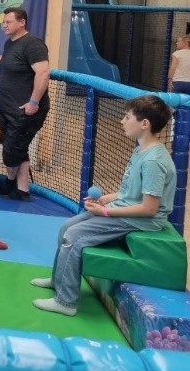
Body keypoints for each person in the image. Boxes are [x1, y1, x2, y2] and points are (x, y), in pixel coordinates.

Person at [31, 95, 176, 317]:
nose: (122, 121)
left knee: (74, 236)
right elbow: (132, 192)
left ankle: (66, 302)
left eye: (127, 117)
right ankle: (58, 279)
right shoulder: (141, 149)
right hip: (126, 210)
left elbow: (149, 209)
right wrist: (106, 199)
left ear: (144, 124)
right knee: (66, 227)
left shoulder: (153, 161)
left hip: (141, 220)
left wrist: (106, 212)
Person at [0, 6, 50, 201]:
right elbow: (7, 60)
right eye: (3, 22)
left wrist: (34, 101)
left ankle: (9, 180)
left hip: (25, 109)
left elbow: (43, 73)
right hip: (8, 107)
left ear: (22, 22)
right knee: (16, 147)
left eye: (8, 22)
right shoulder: (10, 44)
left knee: (11, 150)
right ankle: (22, 190)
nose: (4, 26)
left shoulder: (33, 44)